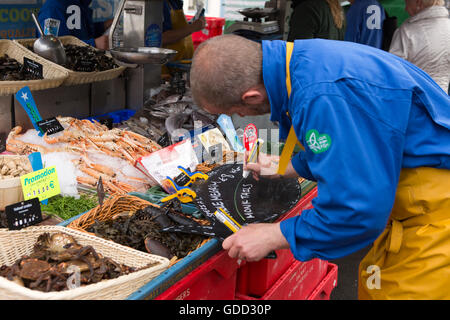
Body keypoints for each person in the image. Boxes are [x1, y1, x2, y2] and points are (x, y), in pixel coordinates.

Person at [190, 34, 450, 299]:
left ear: (252, 96)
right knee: (373, 286)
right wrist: (290, 166)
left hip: (436, 219)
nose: (241, 118)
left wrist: (275, 234)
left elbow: (358, 211)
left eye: (236, 112)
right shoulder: (303, 61)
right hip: (407, 208)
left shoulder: (323, 94)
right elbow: (355, 144)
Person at [389, 0, 450, 93]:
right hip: (444, 100)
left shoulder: (406, 31)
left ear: (418, 3)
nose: (405, 9)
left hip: (416, 101)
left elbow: (393, 72)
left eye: (407, 3)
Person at [37, 0, 112, 50]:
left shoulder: (80, 4)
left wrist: (104, 25)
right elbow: (51, 47)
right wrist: (93, 44)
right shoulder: (52, 8)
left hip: (84, 67)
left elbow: (82, 32)